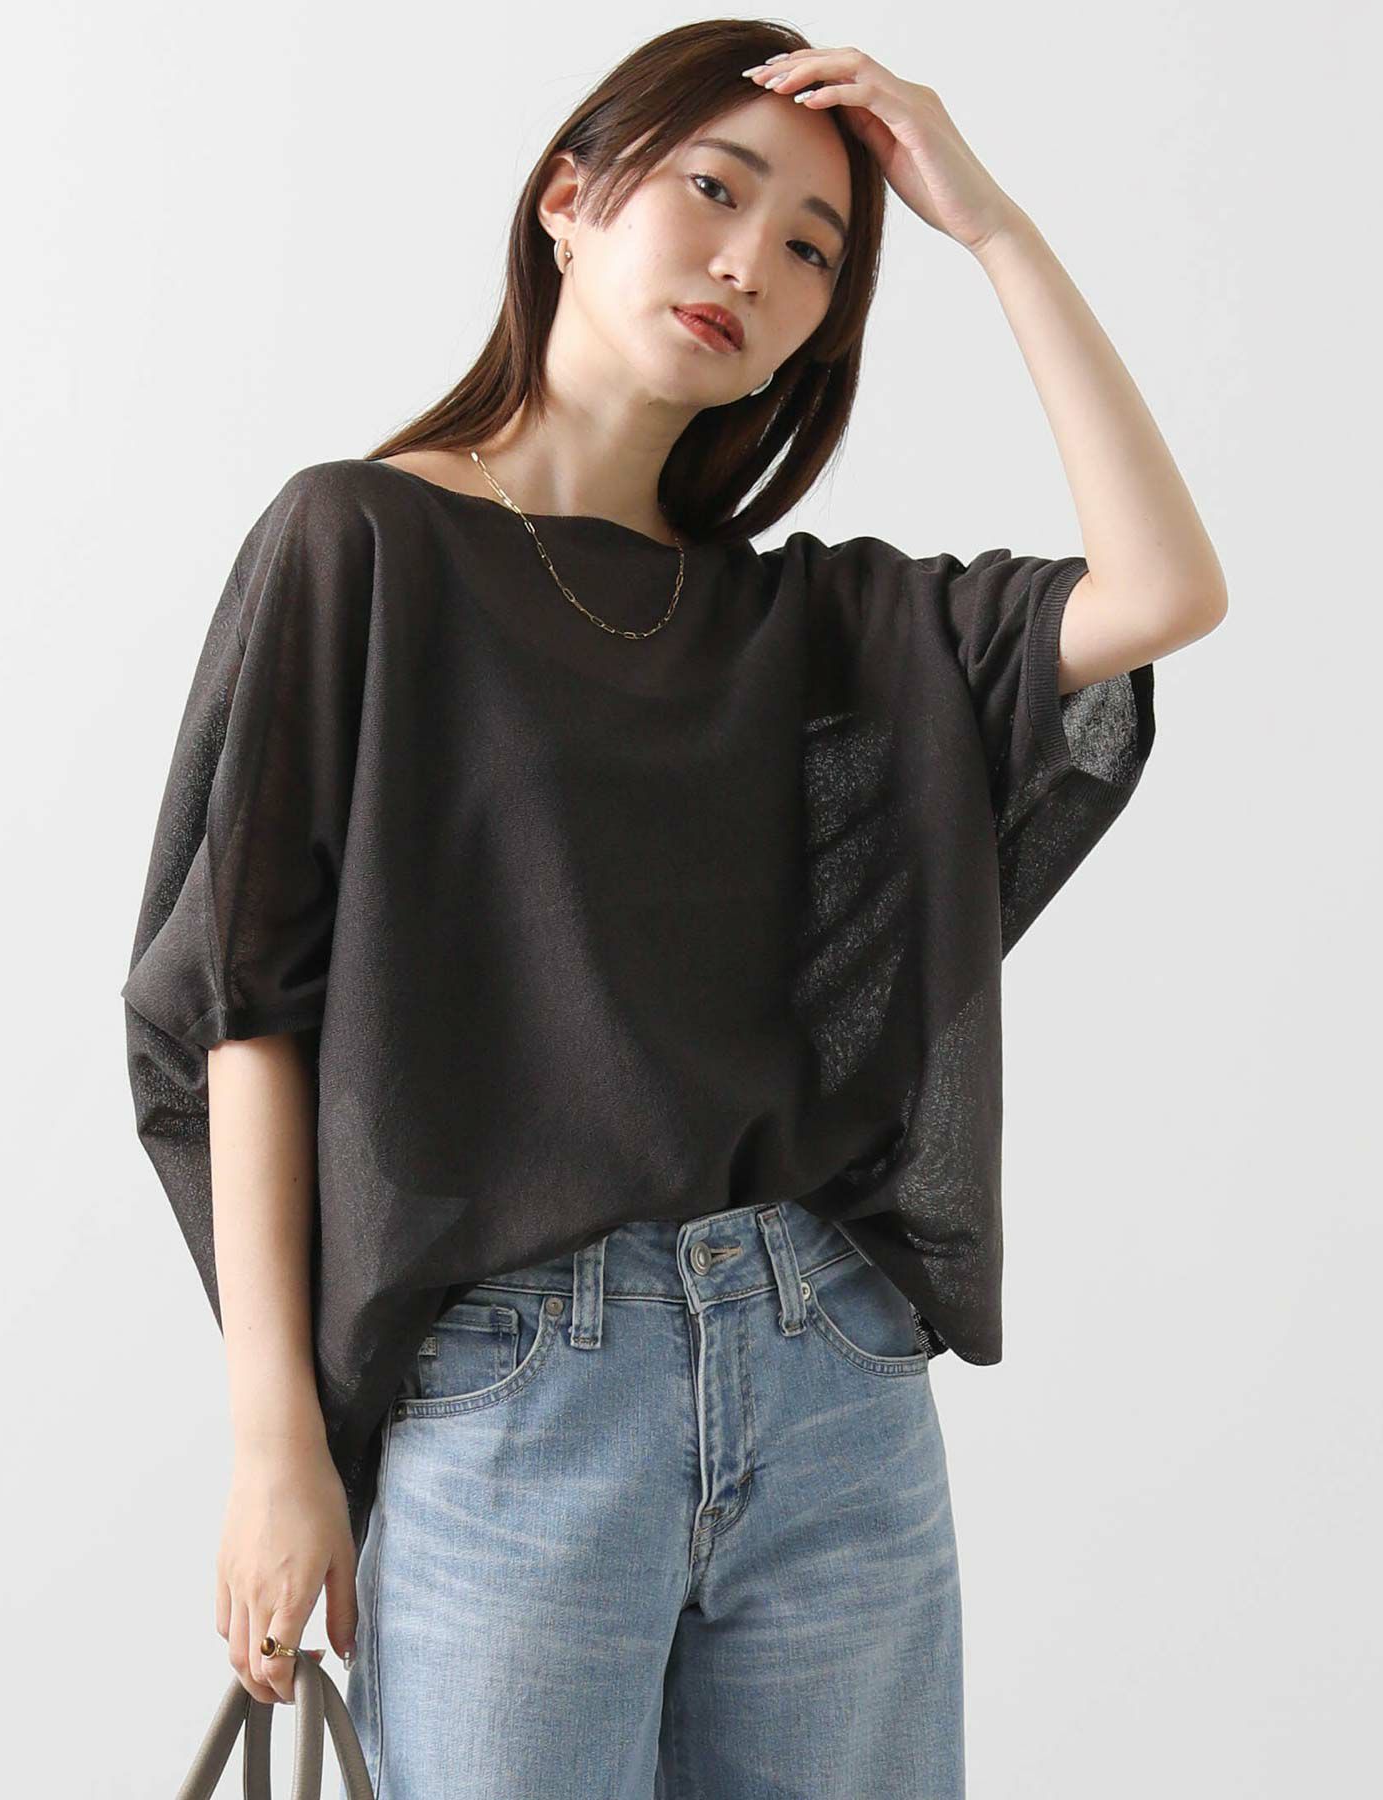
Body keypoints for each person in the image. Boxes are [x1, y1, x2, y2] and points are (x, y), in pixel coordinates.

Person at [119, 21, 1223, 1798]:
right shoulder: (360, 545)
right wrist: (275, 1448)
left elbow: (1163, 586)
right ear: (568, 200)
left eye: (812, 251)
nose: (748, 263)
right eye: (713, 189)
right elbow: (247, 1006)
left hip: (829, 1375)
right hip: (515, 1395)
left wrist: (994, 226)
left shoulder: (817, 633)